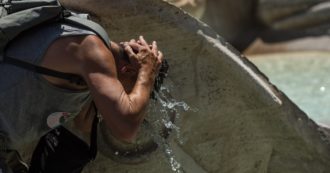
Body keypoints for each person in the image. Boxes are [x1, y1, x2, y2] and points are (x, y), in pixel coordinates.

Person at [0, 10, 163, 173]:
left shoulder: (88, 77)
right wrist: (147, 73)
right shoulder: (92, 48)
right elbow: (126, 128)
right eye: (131, 94)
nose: (125, 99)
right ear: (128, 70)